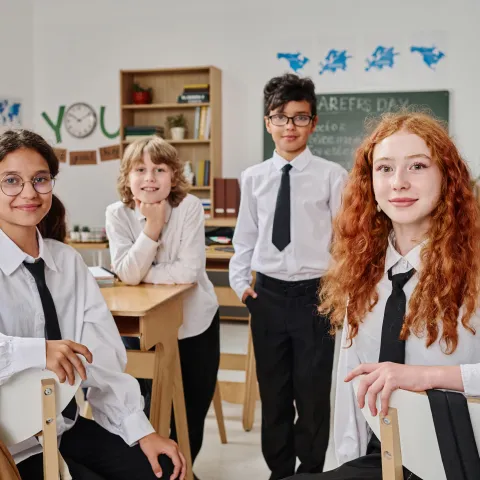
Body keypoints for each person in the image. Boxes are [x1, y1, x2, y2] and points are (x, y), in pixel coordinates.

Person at [284, 111, 480, 480]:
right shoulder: (359, 272)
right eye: (385, 168)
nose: (399, 183)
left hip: (460, 458)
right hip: (384, 458)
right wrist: (345, 464)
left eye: (418, 166)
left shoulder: (475, 270)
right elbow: (350, 392)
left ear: (448, 178)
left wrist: (427, 377)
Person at [0, 129, 186, 480]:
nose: (29, 192)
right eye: (11, 180)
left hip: (63, 427)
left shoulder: (67, 262)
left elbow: (99, 356)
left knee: (157, 470)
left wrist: (140, 430)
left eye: (40, 180)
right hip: (11, 444)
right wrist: (37, 352)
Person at [229, 73, 348, 480]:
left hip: (317, 295)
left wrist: (340, 291)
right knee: (274, 392)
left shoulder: (333, 176)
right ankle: (279, 472)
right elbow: (244, 237)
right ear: (268, 123)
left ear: (313, 123)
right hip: (268, 296)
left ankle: (310, 471)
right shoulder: (254, 177)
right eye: (281, 118)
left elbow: (346, 242)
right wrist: (241, 284)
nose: (290, 127)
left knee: (312, 393)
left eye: (300, 118)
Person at [105, 137, 220, 480]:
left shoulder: (189, 208)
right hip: (142, 328)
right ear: (127, 177)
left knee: (191, 408)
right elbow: (124, 273)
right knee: (145, 407)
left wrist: (141, 275)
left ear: (173, 175)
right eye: (140, 169)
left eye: (159, 169)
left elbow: (188, 272)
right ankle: (156, 470)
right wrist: (152, 228)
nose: (150, 177)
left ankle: (185, 470)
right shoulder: (117, 214)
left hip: (194, 324)